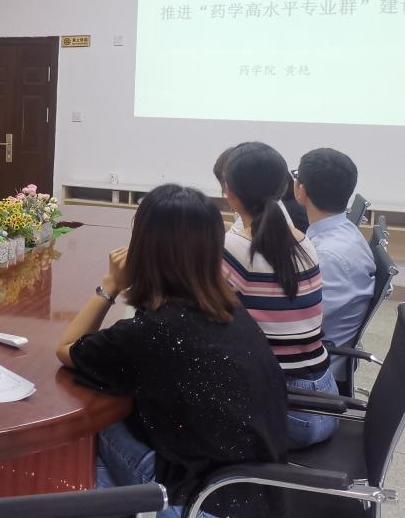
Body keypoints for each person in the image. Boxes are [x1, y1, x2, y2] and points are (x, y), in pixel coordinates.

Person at [56, 184, 286, 518]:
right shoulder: (228, 307)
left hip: (203, 503)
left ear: (143, 248)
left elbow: (66, 349)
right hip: (259, 494)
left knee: (91, 422)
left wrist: (111, 284)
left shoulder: (154, 331)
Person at [221, 142, 338, 449]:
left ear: (228, 191)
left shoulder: (234, 248)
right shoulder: (304, 241)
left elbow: (195, 315)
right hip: (326, 400)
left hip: (286, 412)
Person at [294, 148, 375, 379]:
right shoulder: (344, 231)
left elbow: (300, 323)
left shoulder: (328, 256)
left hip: (313, 370)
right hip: (321, 352)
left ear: (301, 191)